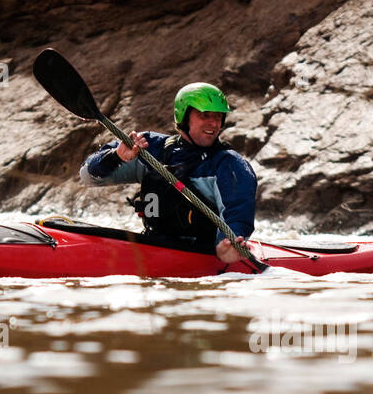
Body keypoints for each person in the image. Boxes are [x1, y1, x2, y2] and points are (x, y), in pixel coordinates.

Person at [79, 82, 256, 264]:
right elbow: (88, 177)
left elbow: (237, 214)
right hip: (152, 244)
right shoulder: (149, 148)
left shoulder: (229, 165)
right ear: (184, 117)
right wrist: (116, 157)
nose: (214, 123)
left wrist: (227, 247)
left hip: (203, 253)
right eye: (205, 115)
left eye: (218, 117)